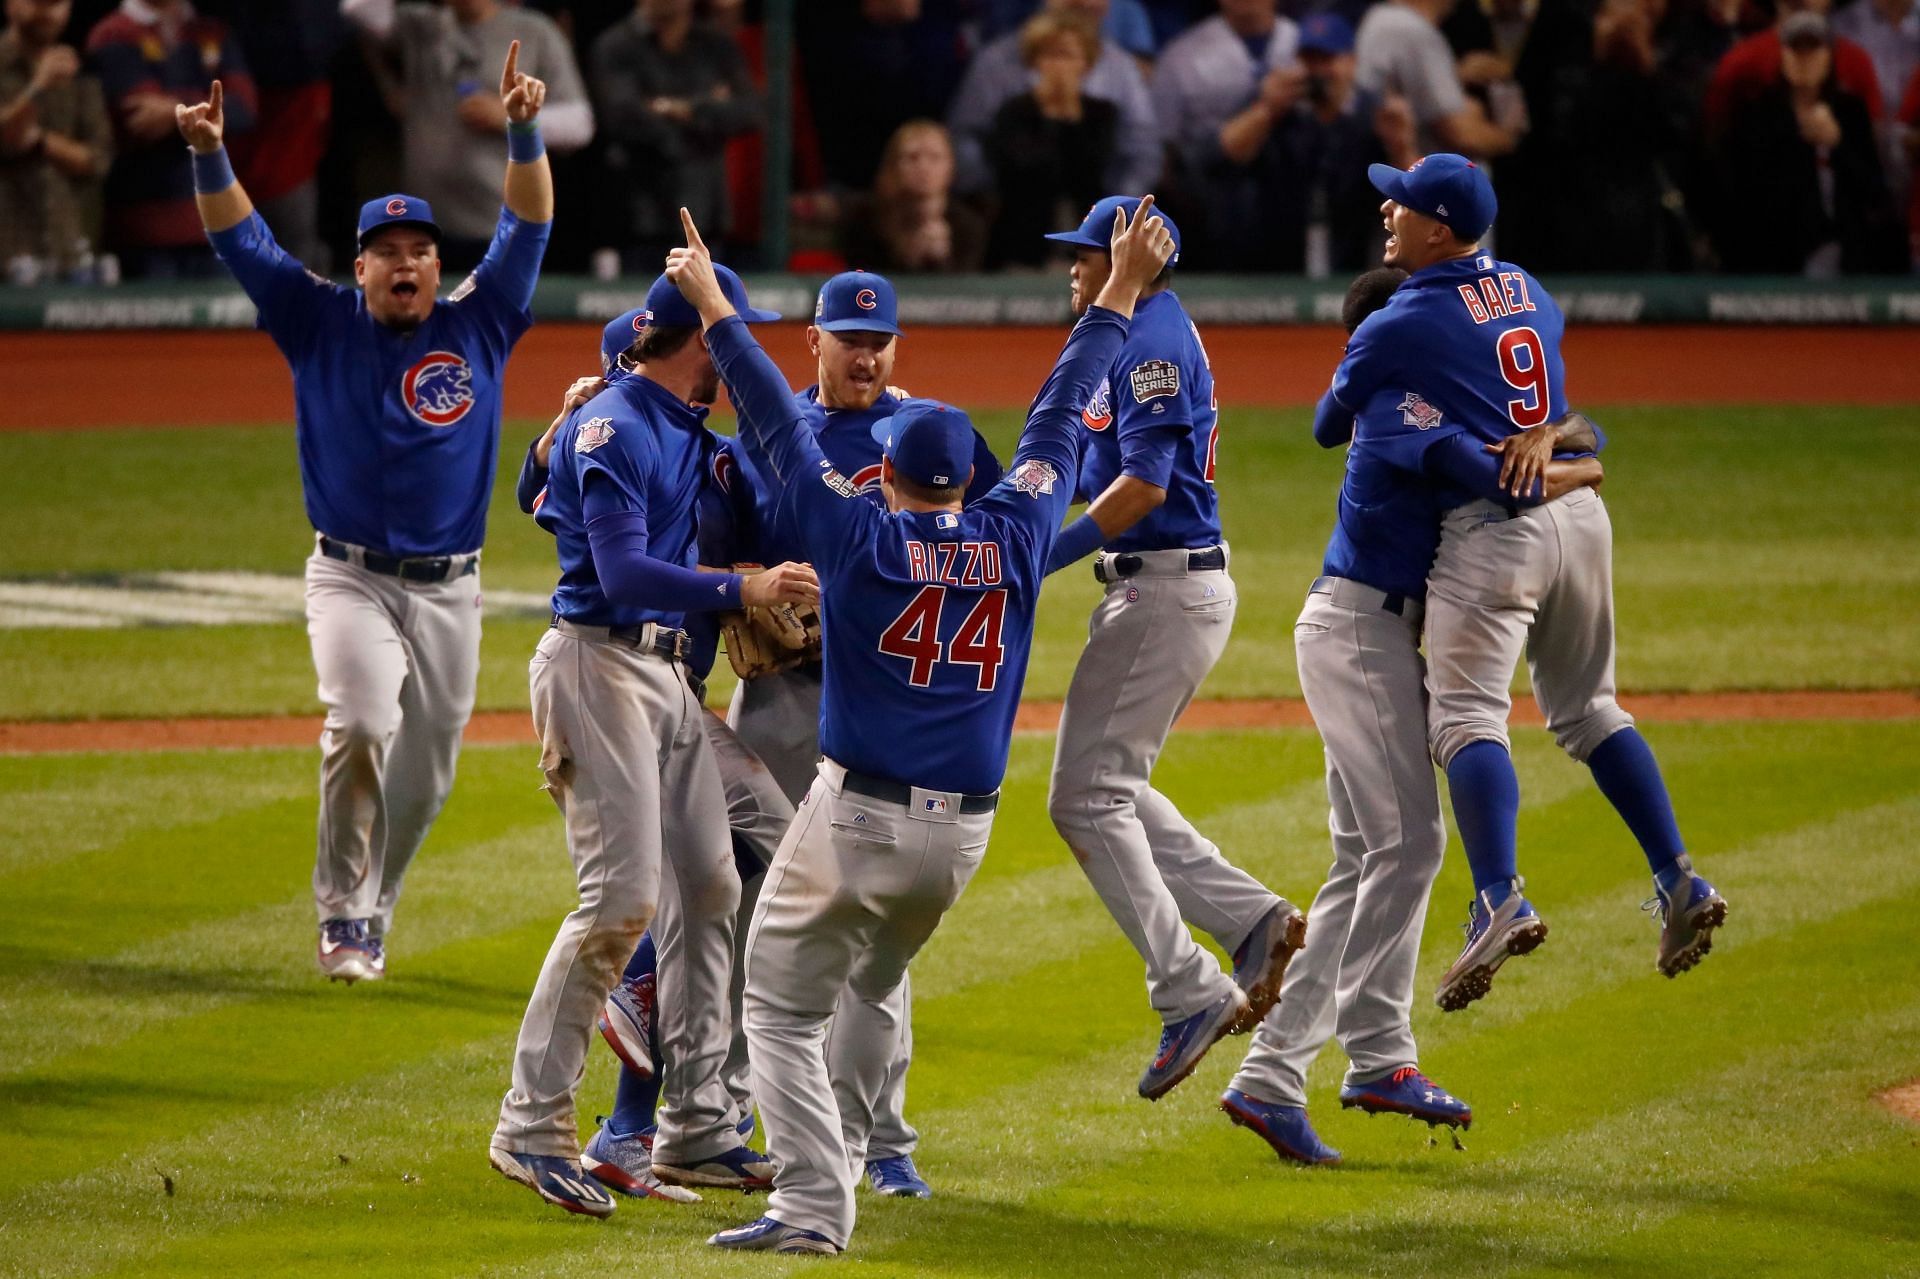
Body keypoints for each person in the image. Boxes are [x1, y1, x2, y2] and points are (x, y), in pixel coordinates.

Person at [669, 199, 1173, 1255]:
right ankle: (872, 1150)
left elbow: (769, 412)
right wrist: (1120, 288)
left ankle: (816, 1202)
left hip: (853, 814)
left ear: (889, 475)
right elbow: (1061, 408)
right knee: (873, 982)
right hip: (963, 843)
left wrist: (715, 302)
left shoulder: (858, 538)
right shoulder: (1023, 526)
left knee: (778, 1009)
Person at [175, 46, 552, 986]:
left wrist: (523, 129)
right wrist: (211, 156)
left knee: (428, 779)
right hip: (347, 575)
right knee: (359, 722)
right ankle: (344, 912)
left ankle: (375, 905)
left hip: (452, 590)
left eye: (420, 251)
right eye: (388, 252)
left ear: (435, 265)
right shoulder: (317, 319)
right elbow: (243, 245)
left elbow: (529, 222)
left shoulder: (479, 322)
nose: (407, 263)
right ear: (361, 267)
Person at [1220, 267, 1603, 1167]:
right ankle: (1316, 1069)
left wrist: (1551, 428)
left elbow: (1569, 422)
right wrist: (1581, 461)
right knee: (1409, 846)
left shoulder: (1441, 395)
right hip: (1358, 630)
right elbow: (1512, 487)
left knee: (1368, 854)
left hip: (1374, 635)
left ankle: (1344, 1064)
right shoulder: (1399, 409)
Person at [1331, 153, 1728, 1013]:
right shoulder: (1527, 288)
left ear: (1439, 227)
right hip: (1581, 518)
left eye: (1401, 204)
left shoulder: (1397, 321)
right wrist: (1565, 450)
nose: (1388, 211)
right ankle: (1678, 877)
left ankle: (1499, 894)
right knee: (1592, 710)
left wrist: (1382, 354)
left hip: (1496, 531)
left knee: (1470, 715)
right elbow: (1565, 420)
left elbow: (1334, 420)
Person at [488, 262, 817, 1218]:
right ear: (696, 341)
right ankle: (531, 1126)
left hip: (668, 680)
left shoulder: (681, 429)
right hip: (599, 665)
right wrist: (743, 589)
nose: (739, 346)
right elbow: (623, 573)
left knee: (714, 882)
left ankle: (696, 1127)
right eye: (727, 332)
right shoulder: (614, 423)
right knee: (620, 899)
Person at [717, 270, 1002, 1202]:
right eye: (848, 337)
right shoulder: (768, 439)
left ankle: (882, 1141)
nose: (866, 354)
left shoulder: (936, 435)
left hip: (889, 715)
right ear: (815, 340)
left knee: (875, 938)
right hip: (784, 704)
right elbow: (721, 545)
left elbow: (992, 540)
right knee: (763, 919)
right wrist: (753, 586)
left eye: (879, 339)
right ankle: (723, 1119)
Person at [1038, 196, 1303, 1102]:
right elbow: (1090, 466)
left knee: (1084, 798)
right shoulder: (1131, 330)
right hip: (1161, 586)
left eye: (1088, 253)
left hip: (1165, 585)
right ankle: (1252, 918)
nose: (1074, 267)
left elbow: (1143, 486)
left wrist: (1043, 551)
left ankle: (1188, 989)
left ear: (1135, 259)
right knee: (1111, 785)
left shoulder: (1151, 341)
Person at [343, 0, 592, 269]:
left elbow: (579, 124)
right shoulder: (421, 25)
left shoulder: (535, 32)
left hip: (503, 225)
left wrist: (511, 117)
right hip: (425, 225)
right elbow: (357, 8)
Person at [1207, 12, 1416, 273]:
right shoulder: (1280, 107)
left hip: (1357, 254)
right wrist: (1267, 110)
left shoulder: (1372, 112)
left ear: (1351, 63)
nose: (1318, 71)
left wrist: (1401, 144)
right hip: (1277, 256)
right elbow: (1220, 157)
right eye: (1309, 60)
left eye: (1327, 60)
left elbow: (1414, 197)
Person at [1716, 10, 1907, 273]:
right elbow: (1747, 192)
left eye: (1813, 50)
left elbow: (1873, 189)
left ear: (1828, 56)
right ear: (1783, 56)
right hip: (1776, 256)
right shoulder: (1757, 113)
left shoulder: (1850, 111)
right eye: (1796, 50)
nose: (1804, 60)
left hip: (1845, 252)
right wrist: (1796, 137)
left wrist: (1837, 142)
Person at [589, 0, 762, 274]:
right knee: (645, 314)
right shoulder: (616, 45)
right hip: (642, 220)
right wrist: (709, 108)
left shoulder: (716, 44)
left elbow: (749, 112)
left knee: (710, 310)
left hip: (707, 217)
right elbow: (623, 118)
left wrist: (678, 108)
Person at [89, 0, 254, 276]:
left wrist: (174, 108)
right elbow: (143, 118)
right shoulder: (113, 34)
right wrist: (207, 108)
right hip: (146, 233)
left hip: (220, 227)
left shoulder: (212, 31)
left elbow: (244, 109)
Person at [945, 0, 1162, 197]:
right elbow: (965, 137)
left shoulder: (1120, 67)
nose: (1086, 2)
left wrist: (1118, 207)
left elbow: (1143, 149)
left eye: (1069, 56)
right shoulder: (995, 64)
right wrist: (987, 198)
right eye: (1050, 56)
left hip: (1099, 213)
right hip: (1013, 210)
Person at [984, 10, 1117, 267]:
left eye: (1067, 55)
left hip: (1088, 236)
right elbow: (1022, 171)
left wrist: (1071, 117)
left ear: (1086, 63)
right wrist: (1050, 117)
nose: (1058, 65)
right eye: (1049, 55)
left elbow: (1092, 173)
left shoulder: (1103, 114)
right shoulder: (1014, 112)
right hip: (1023, 238)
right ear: (1035, 62)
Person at [0, 0, 112, 280]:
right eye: (38, 2)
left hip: (71, 250)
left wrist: (39, 141)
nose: (48, 11)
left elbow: (99, 159)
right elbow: (7, 139)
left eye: (57, 3)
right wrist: (38, 87)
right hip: (7, 252)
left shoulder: (79, 70)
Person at [1354, 0, 1517, 160]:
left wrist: (1456, 76)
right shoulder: (1413, 31)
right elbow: (1460, 134)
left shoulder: (1381, 16)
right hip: (1421, 175)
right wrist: (1509, 137)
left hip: (1382, 165)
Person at [839, 119, 989, 274]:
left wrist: (943, 260)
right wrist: (901, 255)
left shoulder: (968, 227)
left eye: (934, 157)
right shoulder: (864, 221)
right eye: (912, 157)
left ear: (951, 167)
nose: (923, 167)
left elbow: (969, 293)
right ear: (891, 165)